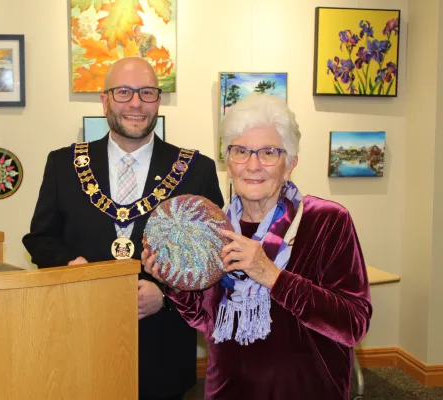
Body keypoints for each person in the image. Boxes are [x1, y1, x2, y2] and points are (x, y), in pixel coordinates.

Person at [143, 93, 372, 399]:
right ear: (229, 163)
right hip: (227, 389)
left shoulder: (327, 221)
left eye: (268, 153)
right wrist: (173, 280)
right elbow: (207, 321)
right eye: (240, 151)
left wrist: (272, 276)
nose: (252, 165)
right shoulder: (213, 227)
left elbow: (353, 323)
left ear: (289, 164)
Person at [22, 57, 224, 400]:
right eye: (123, 92)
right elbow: (40, 239)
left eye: (147, 93)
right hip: (81, 341)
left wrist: (168, 297)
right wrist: (73, 267)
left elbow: (212, 258)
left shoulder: (196, 169)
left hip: (164, 350)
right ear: (104, 101)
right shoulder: (64, 164)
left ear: (158, 101)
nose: (135, 103)